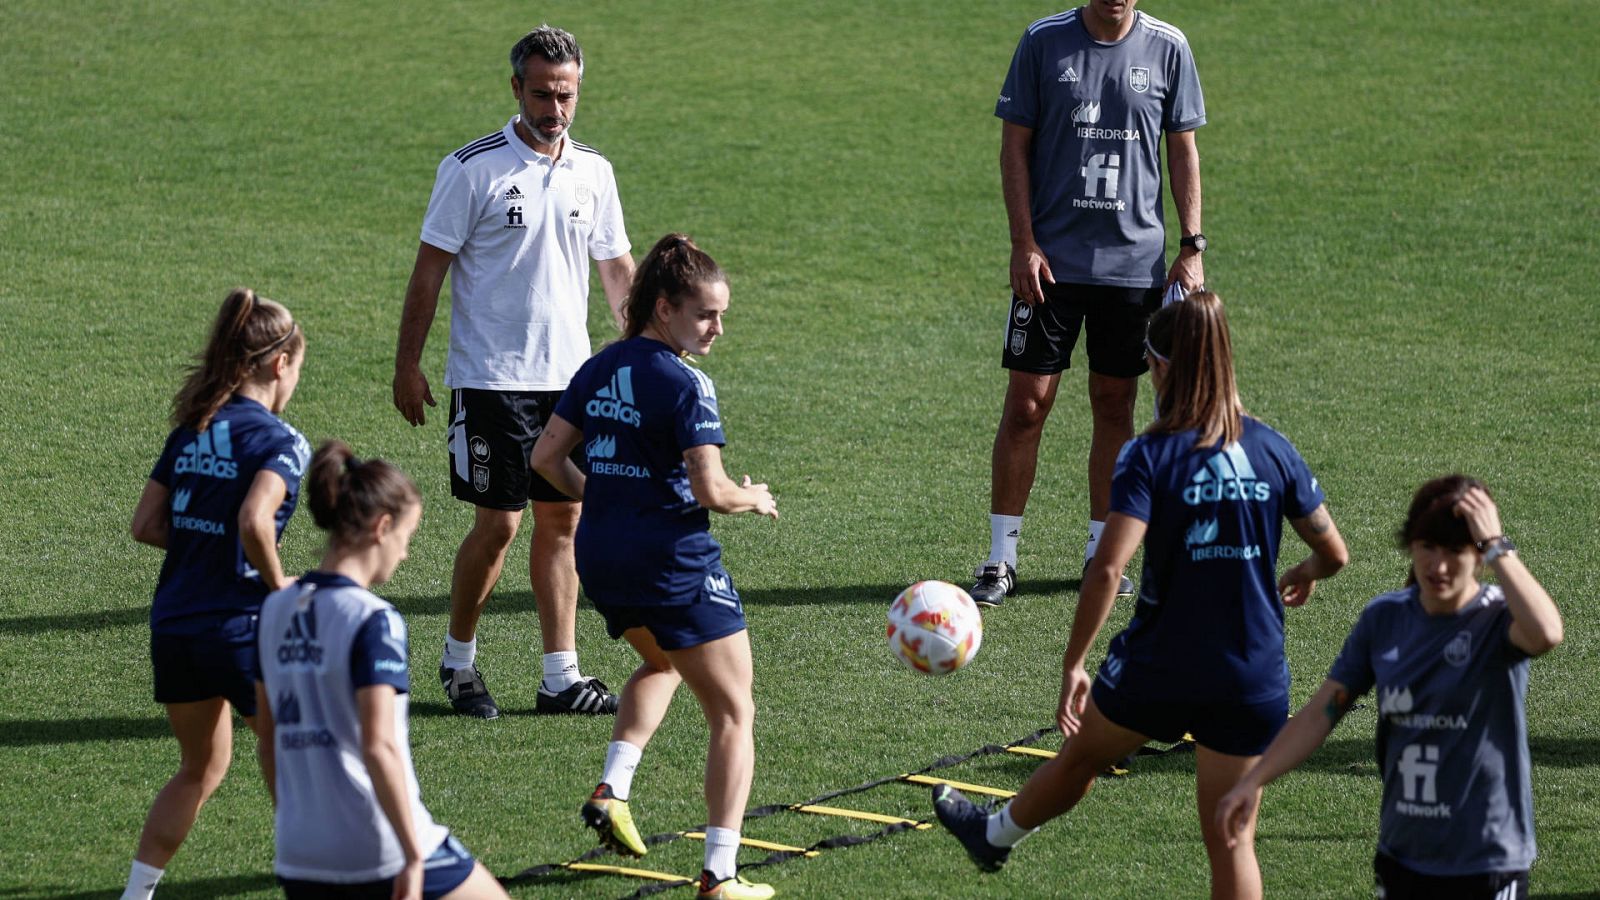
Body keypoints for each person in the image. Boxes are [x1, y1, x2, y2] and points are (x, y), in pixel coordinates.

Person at [935, 292, 1349, 900]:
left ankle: (995, 835)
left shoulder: (1150, 454)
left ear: (1158, 368)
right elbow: (1335, 552)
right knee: (1231, 841)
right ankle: (991, 837)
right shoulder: (1272, 449)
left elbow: (1107, 569)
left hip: (1162, 666)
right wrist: (1308, 569)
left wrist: (1075, 661)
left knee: (1080, 758)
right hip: (1251, 672)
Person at [392, 24, 636, 719]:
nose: (554, 109)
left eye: (565, 95)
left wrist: (647, 346)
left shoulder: (595, 171)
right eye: (541, 94)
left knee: (564, 519)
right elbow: (428, 273)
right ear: (515, 89)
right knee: (498, 524)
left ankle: (560, 675)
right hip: (491, 377)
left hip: (570, 383)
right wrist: (407, 364)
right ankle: (458, 662)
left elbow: (617, 271)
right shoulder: (472, 169)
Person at [530, 234, 779, 900]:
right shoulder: (685, 382)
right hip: (673, 561)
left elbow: (546, 460)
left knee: (663, 663)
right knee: (734, 714)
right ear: (664, 308)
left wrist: (608, 495)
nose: (718, 329)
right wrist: (753, 497)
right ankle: (720, 875)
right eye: (706, 315)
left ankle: (613, 790)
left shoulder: (601, 366)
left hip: (603, 558)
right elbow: (711, 491)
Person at [1216, 477, 1563, 899]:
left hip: (1488, 858)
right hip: (1404, 854)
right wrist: (1252, 781)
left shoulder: (1499, 621)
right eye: (1427, 547)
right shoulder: (1385, 620)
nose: (1438, 567)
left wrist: (1495, 540)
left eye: (1455, 551)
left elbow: (1547, 632)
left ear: (1480, 556)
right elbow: (1321, 712)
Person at [972, 0, 1208, 606]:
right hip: (1050, 264)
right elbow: (1013, 147)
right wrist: (1022, 242)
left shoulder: (1168, 46)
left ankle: (1102, 557)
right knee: (1027, 406)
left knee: (1114, 402)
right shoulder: (1043, 42)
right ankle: (1001, 558)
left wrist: (1192, 246)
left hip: (1133, 267)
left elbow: (1181, 150)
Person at [255, 442, 510, 900]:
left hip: (300, 850)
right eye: (407, 538)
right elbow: (380, 745)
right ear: (382, 527)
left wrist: (297, 827)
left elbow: (269, 737)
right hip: (379, 844)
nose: (406, 555)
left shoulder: (273, 610)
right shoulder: (373, 619)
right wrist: (412, 855)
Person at [123, 288, 310, 900]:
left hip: (175, 626)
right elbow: (256, 522)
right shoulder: (281, 441)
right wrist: (281, 587)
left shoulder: (194, 425)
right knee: (292, 756)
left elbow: (147, 525)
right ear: (280, 363)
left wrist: (202, 538)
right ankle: (310, 880)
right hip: (242, 629)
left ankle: (138, 893)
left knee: (199, 768)